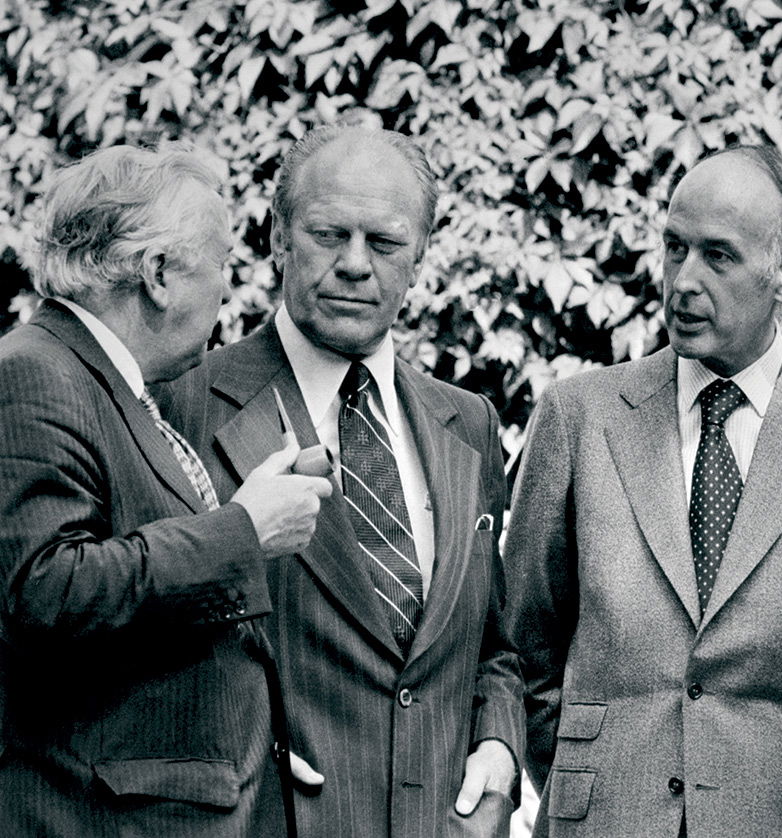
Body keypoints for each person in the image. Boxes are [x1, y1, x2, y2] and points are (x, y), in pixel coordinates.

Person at [504, 143, 782, 837]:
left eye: (718, 257)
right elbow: (525, 643)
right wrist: (595, 782)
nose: (682, 281)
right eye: (674, 248)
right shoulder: (579, 416)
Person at [161, 123, 524, 837]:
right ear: (277, 238)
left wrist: (499, 748)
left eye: (384, 243)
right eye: (329, 234)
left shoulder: (470, 422)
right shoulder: (182, 403)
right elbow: (126, 621)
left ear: (420, 255)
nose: (356, 264)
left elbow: (492, 646)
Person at [0, 145, 331, 836]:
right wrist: (242, 532)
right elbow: (43, 590)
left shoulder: (106, 382)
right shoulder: (35, 374)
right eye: (222, 267)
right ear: (157, 274)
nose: (227, 292)